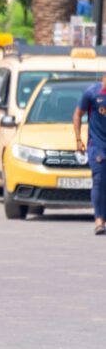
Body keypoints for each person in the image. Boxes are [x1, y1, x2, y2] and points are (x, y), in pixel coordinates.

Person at [75, 73, 106, 235]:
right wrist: (78, 139)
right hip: (97, 146)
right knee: (99, 180)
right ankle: (99, 220)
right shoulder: (92, 94)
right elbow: (78, 114)